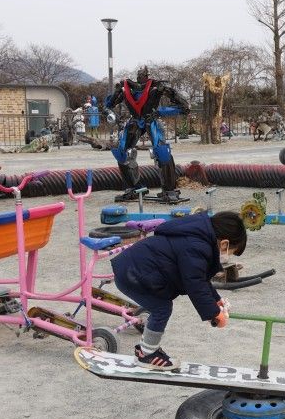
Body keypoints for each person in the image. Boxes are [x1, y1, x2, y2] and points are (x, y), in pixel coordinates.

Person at [110, 211, 247, 370]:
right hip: (133, 273)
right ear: (224, 244)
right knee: (162, 308)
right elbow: (195, 284)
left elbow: (200, 278)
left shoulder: (197, 238)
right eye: (230, 252)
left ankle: (147, 349)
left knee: (161, 307)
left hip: (133, 269)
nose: (227, 257)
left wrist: (215, 299)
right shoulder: (197, 246)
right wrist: (214, 314)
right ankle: (147, 355)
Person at [105, 65, 190, 202]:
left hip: (151, 119)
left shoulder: (156, 88)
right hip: (135, 120)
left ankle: (169, 190)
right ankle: (134, 188)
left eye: (142, 75)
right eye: (138, 75)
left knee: (162, 153)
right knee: (122, 153)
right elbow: (108, 105)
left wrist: (160, 112)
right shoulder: (126, 89)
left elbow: (184, 107)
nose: (139, 77)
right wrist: (114, 114)